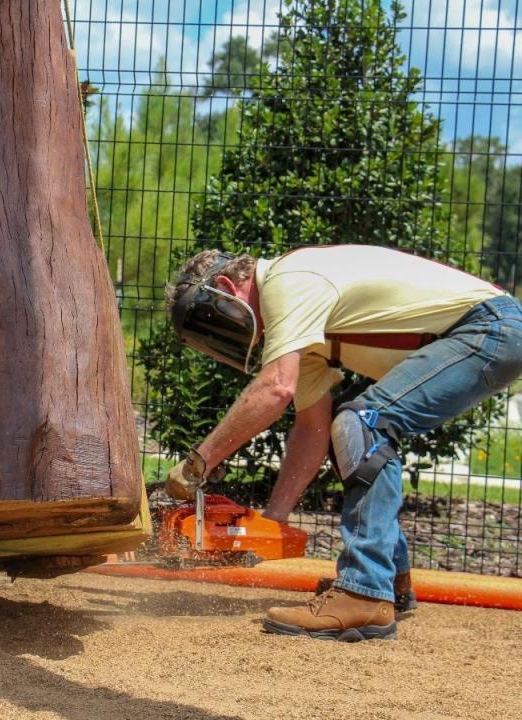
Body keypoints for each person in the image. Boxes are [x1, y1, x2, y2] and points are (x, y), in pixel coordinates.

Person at [164, 245, 522, 641]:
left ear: (227, 287)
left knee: (362, 423)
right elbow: (312, 430)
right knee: (345, 432)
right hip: (487, 330)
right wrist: (273, 522)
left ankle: (363, 592)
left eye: (212, 321)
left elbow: (275, 388)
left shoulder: (288, 280)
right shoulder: (306, 329)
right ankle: (389, 585)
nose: (219, 336)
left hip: (490, 328)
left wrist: (198, 462)